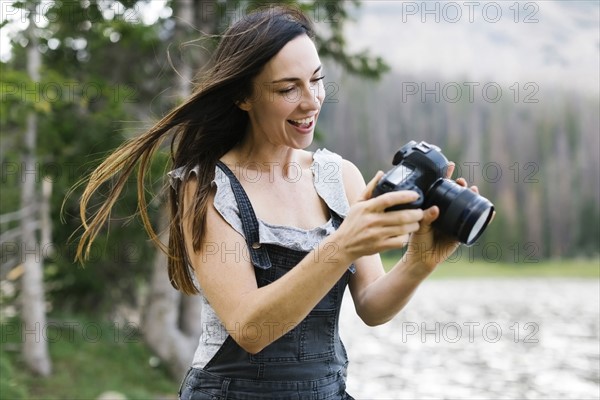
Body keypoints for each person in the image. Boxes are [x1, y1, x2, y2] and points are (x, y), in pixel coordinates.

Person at [75, 5, 480, 399]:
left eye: (316, 80)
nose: (311, 101)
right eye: (288, 88)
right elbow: (250, 330)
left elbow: (372, 308)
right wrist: (343, 245)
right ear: (243, 97)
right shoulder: (207, 187)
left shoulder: (339, 177)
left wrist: (419, 262)